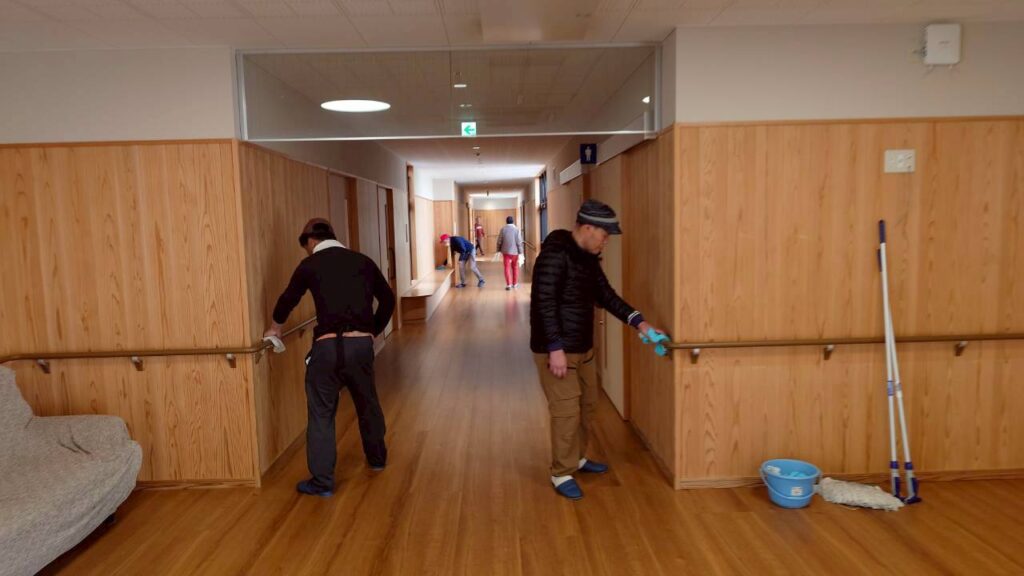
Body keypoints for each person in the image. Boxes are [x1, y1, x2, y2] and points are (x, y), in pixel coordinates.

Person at [530, 199, 666, 501]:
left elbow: (606, 295)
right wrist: (555, 348)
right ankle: (561, 472)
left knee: (588, 404)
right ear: (588, 228)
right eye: (604, 235)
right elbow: (543, 303)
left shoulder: (589, 258)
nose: (606, 241)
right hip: (556, 350)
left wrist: (641, 323)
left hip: (583, 347)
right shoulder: (554, 256)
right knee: (566, 411)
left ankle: (576, 458)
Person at [265, 218, 396, 498]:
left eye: (306, 246)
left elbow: (288, 299)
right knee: (367, 401)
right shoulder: (363, 261)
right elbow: (387, 299)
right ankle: (377, 458)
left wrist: (275, 327)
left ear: (310, 241)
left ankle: (322, 482)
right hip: (360, 346)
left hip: (326, 348)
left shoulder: (310, 265)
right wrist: (372, 330)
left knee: (321, 413)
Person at [496, 215, 524, 290]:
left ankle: (508, 285)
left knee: (507, 268)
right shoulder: (517, 230)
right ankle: (515, 284)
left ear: (506, 222)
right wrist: (521, 252)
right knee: (515, 267)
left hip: (506, 252)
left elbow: (499, 241)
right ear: (513, 221)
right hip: (515, 252)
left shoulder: (503, 229)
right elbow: (519, 242)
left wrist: (498, 250)